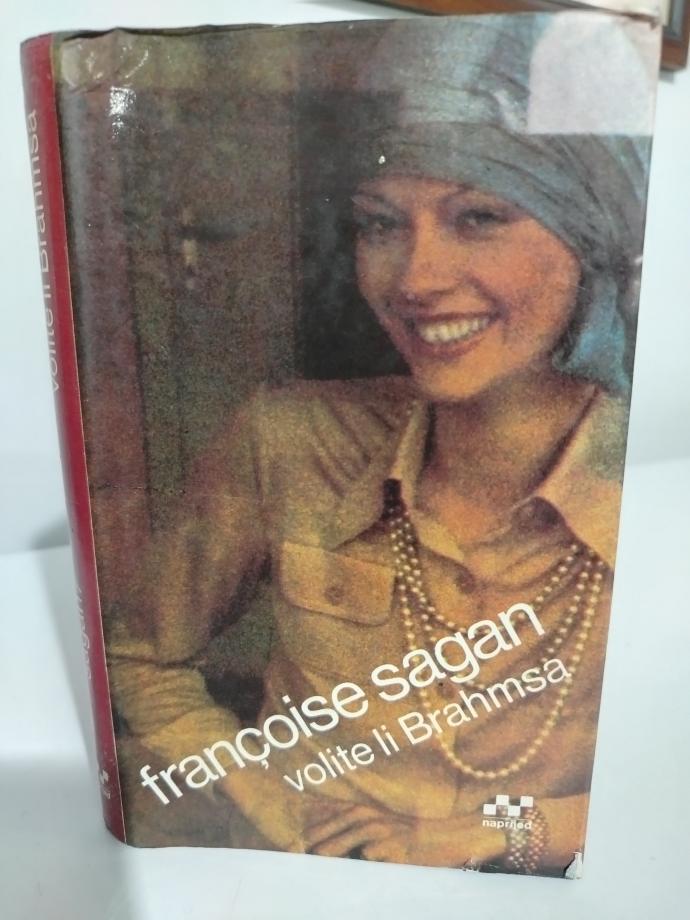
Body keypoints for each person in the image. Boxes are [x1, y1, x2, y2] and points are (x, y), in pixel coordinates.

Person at [108, 15, 654, 874]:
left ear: (592, 239)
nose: (415, 279)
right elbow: (140, 657)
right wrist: (270, 800)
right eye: (379, 224)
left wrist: (498, 835)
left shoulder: (662, 489)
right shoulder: (287, 440)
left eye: (480, 217)